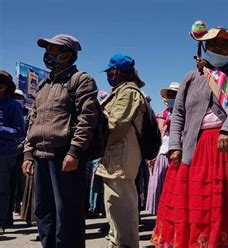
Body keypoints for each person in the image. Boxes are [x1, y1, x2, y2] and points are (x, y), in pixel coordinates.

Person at [151, 20, 228, 247]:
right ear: (203, 46)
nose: (219, 49)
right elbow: (178, 113)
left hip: (225, 146)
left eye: (225, 46)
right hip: (194, 148)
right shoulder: (190, 77)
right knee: (197, 202)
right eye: (214, 44)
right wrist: (175, 145)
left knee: (226, 201)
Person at [22, 34, 100, 248]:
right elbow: (34, 120)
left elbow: (87, 118)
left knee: (67, 214)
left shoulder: (81, 80)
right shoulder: (43, 86)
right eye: (47, 50)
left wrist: (74, 151)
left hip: (65, 157)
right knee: (43, 212)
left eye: (54, 50)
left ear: (68, 55)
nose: (48, 55)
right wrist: (28, 153)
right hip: (40, 157)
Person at [95, 53, 146, 248]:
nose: (109, 76)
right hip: (114, 155)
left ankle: (125, 244)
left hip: (121, 156)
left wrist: (95, 138)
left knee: (122, 207)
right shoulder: (120, 91)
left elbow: (116, 125)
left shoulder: (129, 93)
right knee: (114, 205)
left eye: (110, 72)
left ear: (117, 72)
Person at [145, 82, 179, 215]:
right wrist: (152, 155)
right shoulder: (160, 115)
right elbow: (155, 137)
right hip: (161, 154)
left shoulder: (186, 114)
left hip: (177, 154)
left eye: (174, 94)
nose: (171, 97)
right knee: (159, 187)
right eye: (170, 94)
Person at [0, 71, 25, 233]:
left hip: (4, 153)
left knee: (2, 189)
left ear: (6, 88)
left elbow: (19, 131)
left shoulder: (14, 106)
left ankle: (1, 221)